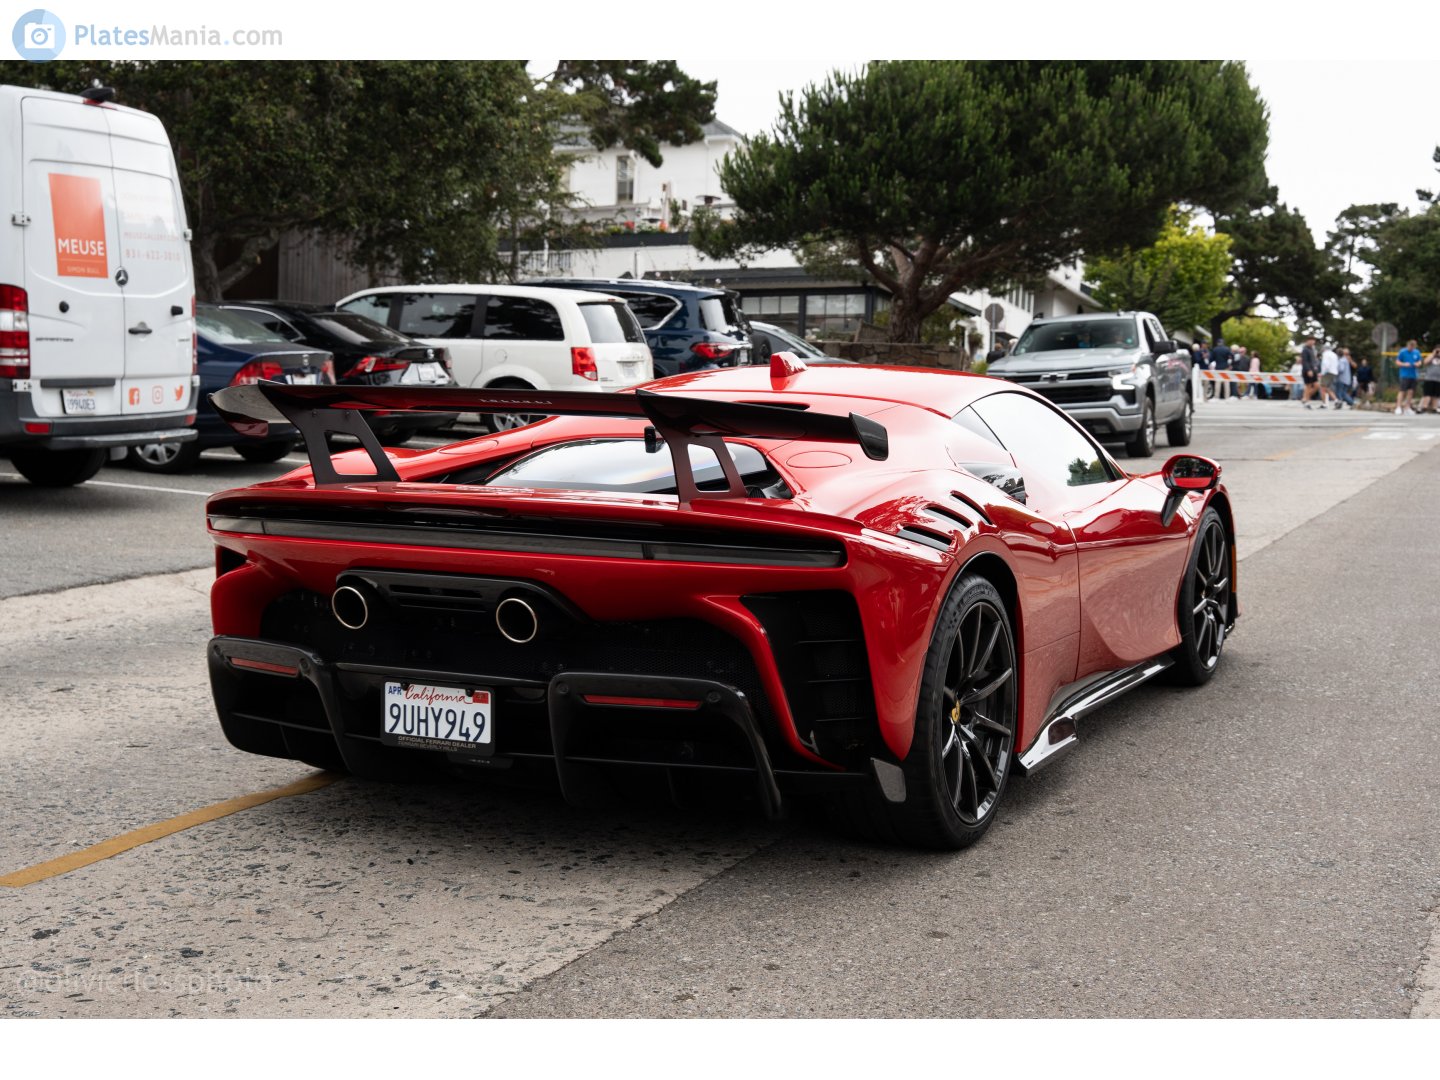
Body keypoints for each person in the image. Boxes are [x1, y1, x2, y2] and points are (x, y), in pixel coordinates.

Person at [1396, 339, 1421, 414]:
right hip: (1404, 374)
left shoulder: (1417, 352)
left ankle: (1407, 407)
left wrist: (1418, 364)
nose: (1411, 348)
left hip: (1413, 375)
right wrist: (1404, 364)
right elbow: (1397, 362)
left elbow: (1419, 361)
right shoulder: (1402, 352)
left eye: (1413, 346)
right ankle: (1398, 407)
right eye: (1410, 346)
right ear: (1408, 345)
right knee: (1402, 391)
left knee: (1411, 391)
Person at [1299, 335, 1322, 408]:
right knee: (1308, 386)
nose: (1313, 342)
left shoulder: (1312, 349)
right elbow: (1305, 361)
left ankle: (1305, 399)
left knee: (1317, 386)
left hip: (1313, 371)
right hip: (1307, 371)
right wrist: (1308, 370)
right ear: (1307, 341)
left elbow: (1313, 361)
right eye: (1311, 340)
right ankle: (1306, 402)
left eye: (1314, 340)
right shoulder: (1305, 349)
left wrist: (1316, 369)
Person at [1319, 342, 1340, 408]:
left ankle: (1324, 404)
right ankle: (1336, 401)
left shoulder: (1325, 354)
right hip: (1334, 372)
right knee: (1327, 388)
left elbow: (1325, 364)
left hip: (1327, 372)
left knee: (1322, 388)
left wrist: (1322, 373)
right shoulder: (1334, 354)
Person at [1419, 347, 1440, 415]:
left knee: (1436, 395)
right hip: (1429, 378)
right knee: (1427, 394)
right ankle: (1424, 407)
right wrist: (1433, 354)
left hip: (1438, 379)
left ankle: (1435, 408)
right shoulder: (1431, 356)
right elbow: (1425, 362)